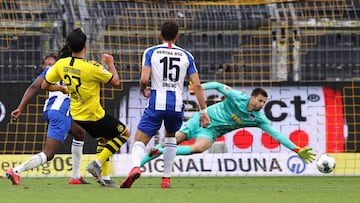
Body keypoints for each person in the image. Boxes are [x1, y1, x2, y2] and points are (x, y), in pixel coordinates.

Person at [120, 21, 211, 189]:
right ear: (177, 36)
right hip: (176, 105)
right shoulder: (186, 55)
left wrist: (143, 89)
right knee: (170, 138)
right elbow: (197, 85)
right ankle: (166, 179)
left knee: (139, 140)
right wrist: (203, 111)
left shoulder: (151, 52)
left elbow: (143, 79)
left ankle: (135, 167)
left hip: (156, 103)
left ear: (160, 35)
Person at [140, 81, 316, 167]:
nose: (262, 105)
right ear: (252, 97)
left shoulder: (258, 118)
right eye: (260, 101)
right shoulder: (238, 96)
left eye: (264, 103)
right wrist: (198, 88)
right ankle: (138, 165)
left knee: (199, 148)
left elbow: (275, 134)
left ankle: (161, 151)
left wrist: (297, 149)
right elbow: (217, 85)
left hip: (212, 132)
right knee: (174, 140)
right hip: (203, 119)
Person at [41, 28, 130, 186]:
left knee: (104, 139)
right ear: (85, 46)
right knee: (124, 134)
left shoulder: (61, 64)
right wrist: (111, 65)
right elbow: (116, 82)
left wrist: (62, 88)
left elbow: (44, 85)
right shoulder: (92, 67)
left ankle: (105, 178)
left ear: (69, 47)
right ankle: (96, 164)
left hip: (76, 115)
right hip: (93, 115)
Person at [6, 50, 90, 185]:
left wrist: (20, 108)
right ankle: (15, 171)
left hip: (50, 110)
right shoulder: (79, 69)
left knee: (80, 133)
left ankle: (75, 177)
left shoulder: (53, 69)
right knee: (49, 154)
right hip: (61, 113)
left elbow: (34, 86)